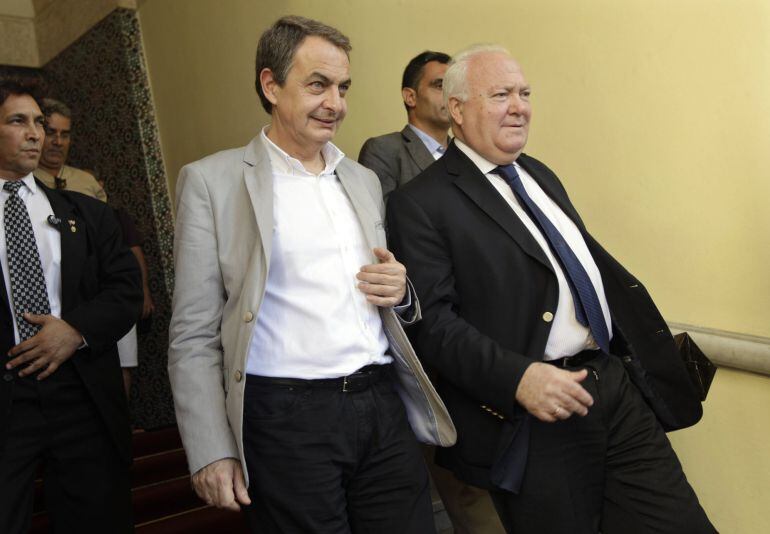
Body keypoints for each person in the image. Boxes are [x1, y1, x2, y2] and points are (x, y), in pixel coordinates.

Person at [386, 45, 716, 534]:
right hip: (533, 417)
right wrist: (519, 379)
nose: (519, 106)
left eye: (524, 93)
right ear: (457, 109)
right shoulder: (420, 203)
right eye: (500, 94)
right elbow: (432, 325)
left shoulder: (538, 174)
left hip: (612, 391)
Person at [168, 16, 455, 534]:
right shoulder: (212, 182)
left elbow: (387, 289)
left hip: (381, 405)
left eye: (342, 87)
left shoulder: (363, 179)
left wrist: (402, 290)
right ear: (270, 85)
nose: (336, 103)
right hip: (285, 419)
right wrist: (209, 449)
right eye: (317, 84)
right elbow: (192, 334)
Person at [0, 78, 142, 533]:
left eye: (39, 122)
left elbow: (125, 290)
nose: (36, 134)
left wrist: (74, 331)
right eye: (18, 121)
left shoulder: (87, 212)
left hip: (80, 394)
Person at [92, 172, 155, 396]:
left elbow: (135, 253)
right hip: (89, 304)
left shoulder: (116, 216)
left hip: (119, 297)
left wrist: (144, 291)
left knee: (124, 363)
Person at [359, 51, 451, 200]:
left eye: (454, 87)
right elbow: (383, 218)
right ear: (410, 97)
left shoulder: (465, 152)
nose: (450, 95)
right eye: (440, 86)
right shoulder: (384, 150)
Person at [35, 98, 107, 201]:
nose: (58, 142)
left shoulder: (87, 181)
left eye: (64, 135)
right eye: (50, 133)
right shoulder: (22, 181)